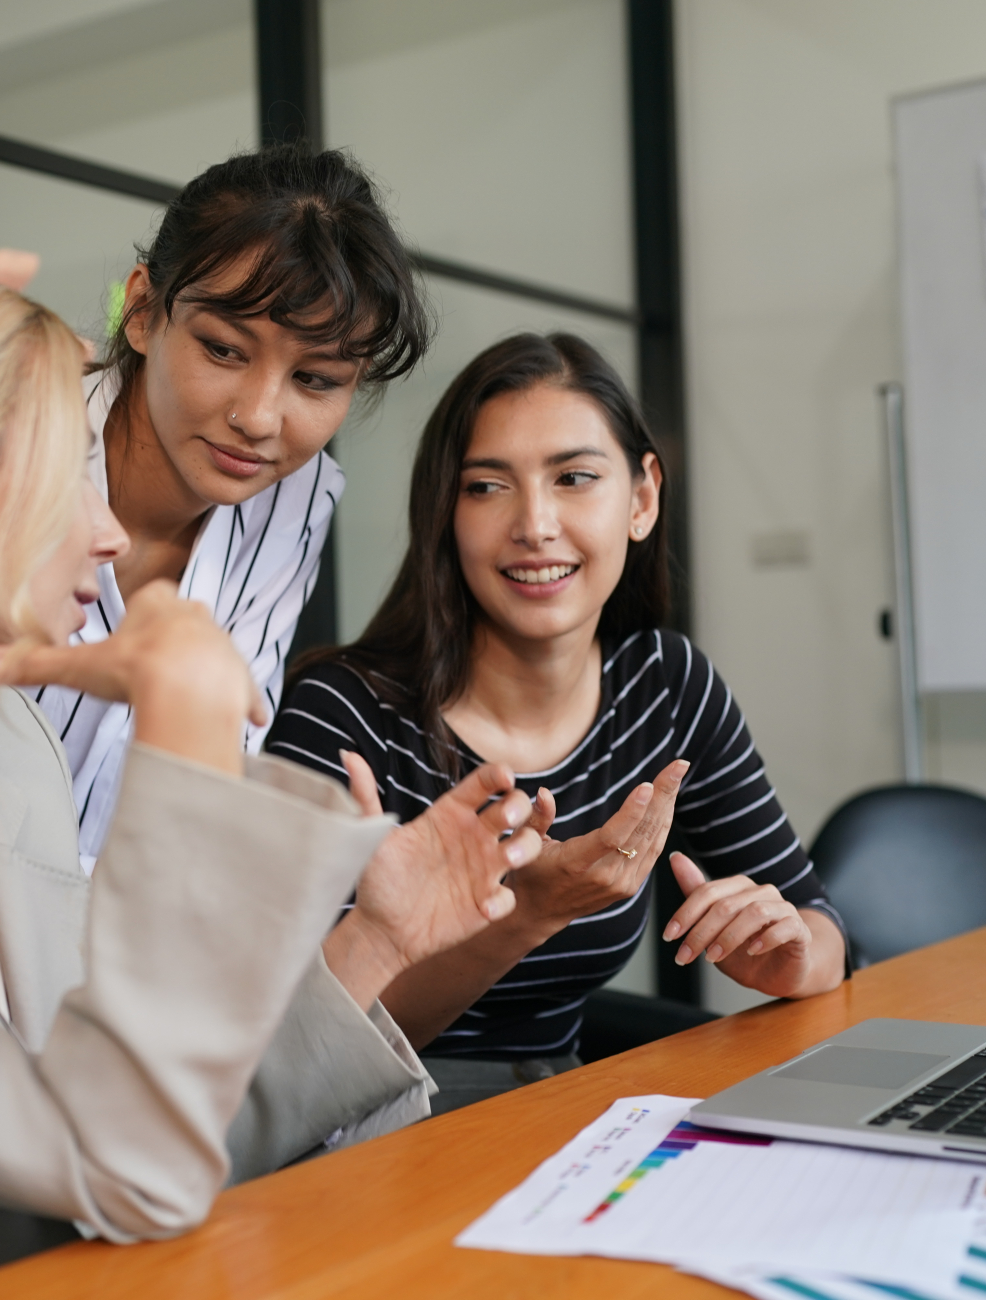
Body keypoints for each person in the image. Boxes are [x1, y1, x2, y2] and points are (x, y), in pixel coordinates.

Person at [0, 257, 545, 1298]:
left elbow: (134, 1121)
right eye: (66, 475)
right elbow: (117, 1159)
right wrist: (181, 728)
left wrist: (376, 943)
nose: (106, 532)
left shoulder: (5, 750)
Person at [268, 331, 848, 1115]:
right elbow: (300, 1046)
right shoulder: (343, 714)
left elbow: (819, 923)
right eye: (486, 486)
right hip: (363, 1127)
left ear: (642, 498)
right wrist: (531, 912)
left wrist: (793, 958)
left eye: (574, 478)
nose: (535, 525)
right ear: (444, 514)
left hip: (563, 1108)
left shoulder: (664, 685)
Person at [35, 144, 432, 871]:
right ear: (144, 313)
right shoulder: (12, 450)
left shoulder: (296, 500)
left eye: (315, 379)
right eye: (223, 350)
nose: (258, 417)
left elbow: (216, 779)